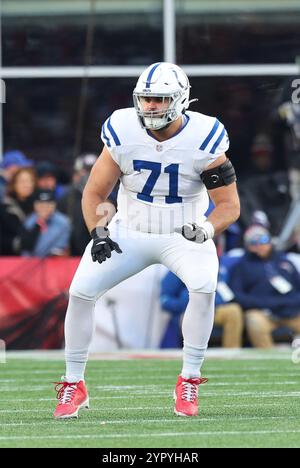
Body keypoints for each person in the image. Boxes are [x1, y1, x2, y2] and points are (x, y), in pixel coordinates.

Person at [53, 62, 240, 419]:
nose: (151, 106)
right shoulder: (122, 128)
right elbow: (94, 192)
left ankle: (189, 378)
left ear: (180, 99)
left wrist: (206, 229)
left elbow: (229, 206)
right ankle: (73, 383)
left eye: (159, 99)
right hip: (130, 230)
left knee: (203, 287)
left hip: (184, 233)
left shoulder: (205, 137)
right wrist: (98, 230)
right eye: (146, 99)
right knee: (80, 291)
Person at [229, 225, 300, 348]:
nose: (260, 245)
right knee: (254, 321)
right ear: (248, 245)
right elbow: (238, 296)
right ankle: (270, 360)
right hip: (262, 312)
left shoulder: (285, 262)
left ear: (270, 241)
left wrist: (289, 303)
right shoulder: (241, 266)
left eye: (263, 240)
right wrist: (267, 303)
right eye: (254, 242)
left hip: (291, 310)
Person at [160, 270, 243, 349]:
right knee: (190, 317)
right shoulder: (179, 269)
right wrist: (188, 304)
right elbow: (164, 300)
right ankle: (192, 358)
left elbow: (226, 296)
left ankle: (230, 355)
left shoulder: (218, 268)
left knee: (234, 310)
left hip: (213, 310)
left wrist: (210, 303)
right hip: (188, 312)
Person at [20, 189, 71, 257]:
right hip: (31, 263)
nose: (44, 207)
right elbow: (25, 248)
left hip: (55, 263)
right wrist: (38, 225)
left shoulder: (63, 223)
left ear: (54, 205)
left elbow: (61, 247)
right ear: (35, 205)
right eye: (41, 204)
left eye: (48, 204)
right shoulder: (29, 221)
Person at [0, 167, 37, 255]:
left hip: (36, 256)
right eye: (22, 181)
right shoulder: (5, 207)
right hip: (10, 258)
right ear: (14, 184)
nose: (27, 185)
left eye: (30, 181)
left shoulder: (39, 205)